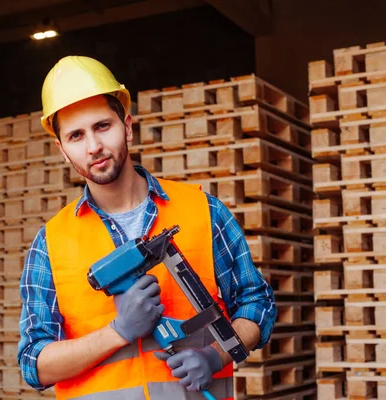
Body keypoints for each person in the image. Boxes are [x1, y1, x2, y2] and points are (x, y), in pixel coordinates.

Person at [17, 55, 276, 400]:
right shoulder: (51, 243)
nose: (93, 146)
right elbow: (34, 363)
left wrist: (215, 356)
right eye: (76, 136)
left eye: (102, 127)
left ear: (127, 125)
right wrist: (118, 332)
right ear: (63, 150)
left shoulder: (204, 212)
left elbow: (257, 304)